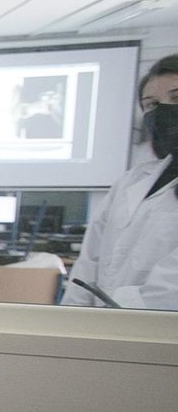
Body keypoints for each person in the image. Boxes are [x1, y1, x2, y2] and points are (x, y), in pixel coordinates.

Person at [62, 54, 178, 309]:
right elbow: (89, 260)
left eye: (176, 98)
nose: (164, 112)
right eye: (152, 105)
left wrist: (115, 307)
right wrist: (71, 320)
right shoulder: (131, 181)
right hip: (105, 328)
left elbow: (171, 289)